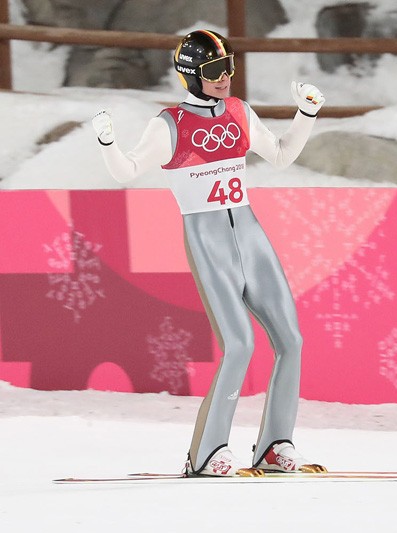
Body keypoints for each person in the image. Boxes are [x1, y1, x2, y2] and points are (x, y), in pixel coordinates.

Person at [91, 29, 325, 477]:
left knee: (291, 340)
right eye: (215, 69)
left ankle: (275, 444)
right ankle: (206, 452)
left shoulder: (238, 111)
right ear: (191, 75)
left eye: (229, 66)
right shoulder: (169, 124)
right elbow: (127, 172)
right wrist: (107, 144)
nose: (225, 77)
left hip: (250, 232)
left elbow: (279, 155)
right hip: (208, 236)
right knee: (239, 345)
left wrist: (306, 114)